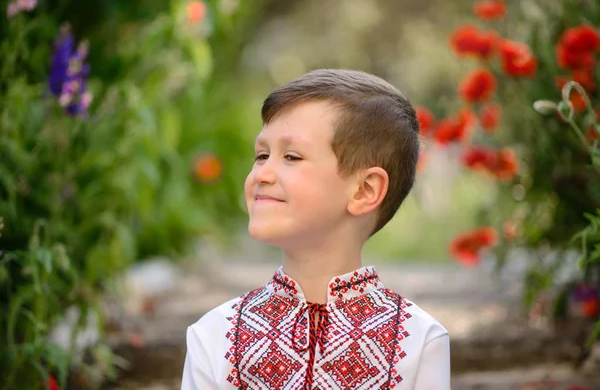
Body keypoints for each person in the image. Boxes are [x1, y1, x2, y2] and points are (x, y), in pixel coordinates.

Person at [181, 69, 451, 389]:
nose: (262, 174)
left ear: (364, 190)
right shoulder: (214, 336)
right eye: (261, 155)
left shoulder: (418, 342)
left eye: (291, 156)